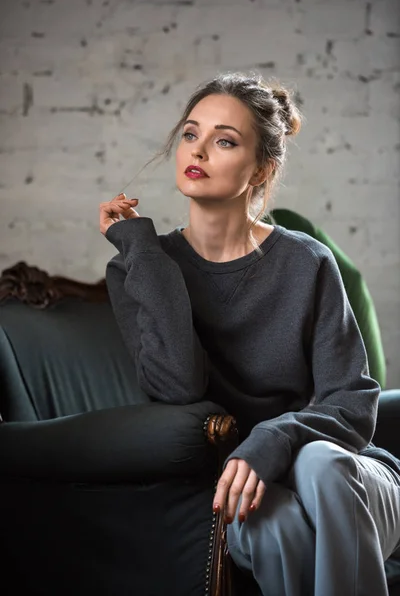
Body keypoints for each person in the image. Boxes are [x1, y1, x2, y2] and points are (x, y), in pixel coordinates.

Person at [100, 72, 400, 596]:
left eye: (225, 141)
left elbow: (353, 405)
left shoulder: (306, 262)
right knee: (271, 521)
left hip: (347, 481)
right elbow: (178, 386)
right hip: (244, 497)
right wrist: (143, 249)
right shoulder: (139, 269)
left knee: (320, 462)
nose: (199, 150)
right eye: (191, 134)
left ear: (261, 168)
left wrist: (273, 437)